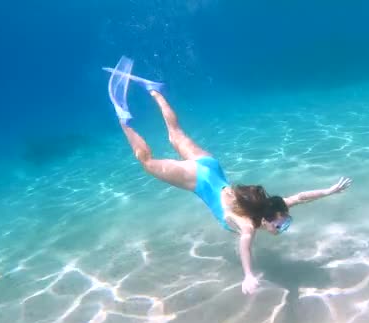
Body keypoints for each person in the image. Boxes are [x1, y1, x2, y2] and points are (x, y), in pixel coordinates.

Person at [119, 89, 352, 295]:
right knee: (147, 163)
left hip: (212, 166)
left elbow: (300, 197)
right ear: (267, 221)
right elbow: (245, 246)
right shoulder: (248, 225)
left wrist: (329, 191)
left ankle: (155, 92)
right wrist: (248, 275)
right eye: (281, 225)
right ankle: (124, 120)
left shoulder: (271, 207)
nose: (282, 228)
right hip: (198, 178)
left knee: (176, 134)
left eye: (285, 222)